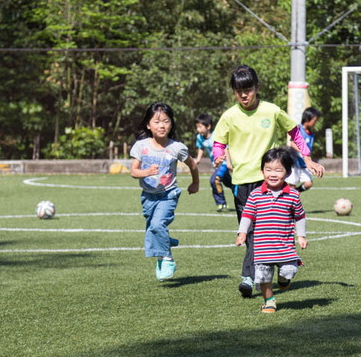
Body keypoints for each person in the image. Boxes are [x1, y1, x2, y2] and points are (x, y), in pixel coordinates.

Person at [212, 65, 324, 298]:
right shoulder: (229, 116)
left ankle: (272, 272)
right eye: (239, 91)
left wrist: (307, 158)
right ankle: (252, 275)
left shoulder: (271, 111)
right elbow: (218, 142)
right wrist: (218, 155)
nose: (244, 95)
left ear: (257, 87)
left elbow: (294, 132)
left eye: (248, 90)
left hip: (270, 182)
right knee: (250, 231)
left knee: (276, 229)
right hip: (241, 182)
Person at [130, 102, 200, 281]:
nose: (161, 125)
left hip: (168, 195)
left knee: (156, 225)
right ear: (148, 125)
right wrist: (146, 172)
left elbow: (192, 165)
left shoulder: (176, 147)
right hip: (148, 197)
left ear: (171, 124)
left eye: (166, 121)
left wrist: (195, 183)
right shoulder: (141, 146)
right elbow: (134, 172)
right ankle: (165, 240)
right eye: (157, 121)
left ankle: (167, 259)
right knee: (153, 229)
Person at [236, 147, 307, 313]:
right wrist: (242, 233)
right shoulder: (255, 195)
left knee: (289, 271)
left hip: (285, 246)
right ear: (262, 171)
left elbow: (300, 217)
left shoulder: (293, 195)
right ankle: (269, 300)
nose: (273, 174)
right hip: (262, 247)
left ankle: (283, 279)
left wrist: (301, 236)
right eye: (268, 170)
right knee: (263, 277)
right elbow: (247, 215)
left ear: (288, 172)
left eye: (278, 170)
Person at [194, 113, 233, 211]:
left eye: (200, 127)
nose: (198, 129)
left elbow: (225, 148)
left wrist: (229, 163)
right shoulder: (199, 137)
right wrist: (197, 160)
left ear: (208, 126)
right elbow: (201, 147)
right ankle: (242, 195)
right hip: (216, 165)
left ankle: (221, 203)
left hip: (223, 163)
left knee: (214, 180)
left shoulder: (216, 135)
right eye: (197, 127)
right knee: (231, 183)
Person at [285, 106, 322, 192]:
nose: (315, 123)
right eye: (314, 120)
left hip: (304, 163)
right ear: (307, 118)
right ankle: (291, 197)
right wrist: (303, 152)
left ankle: (296, 193)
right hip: (295, 163)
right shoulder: (298, 129)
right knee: (292, 185)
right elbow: (292, 143)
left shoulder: (311, 133)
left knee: (308, 183)